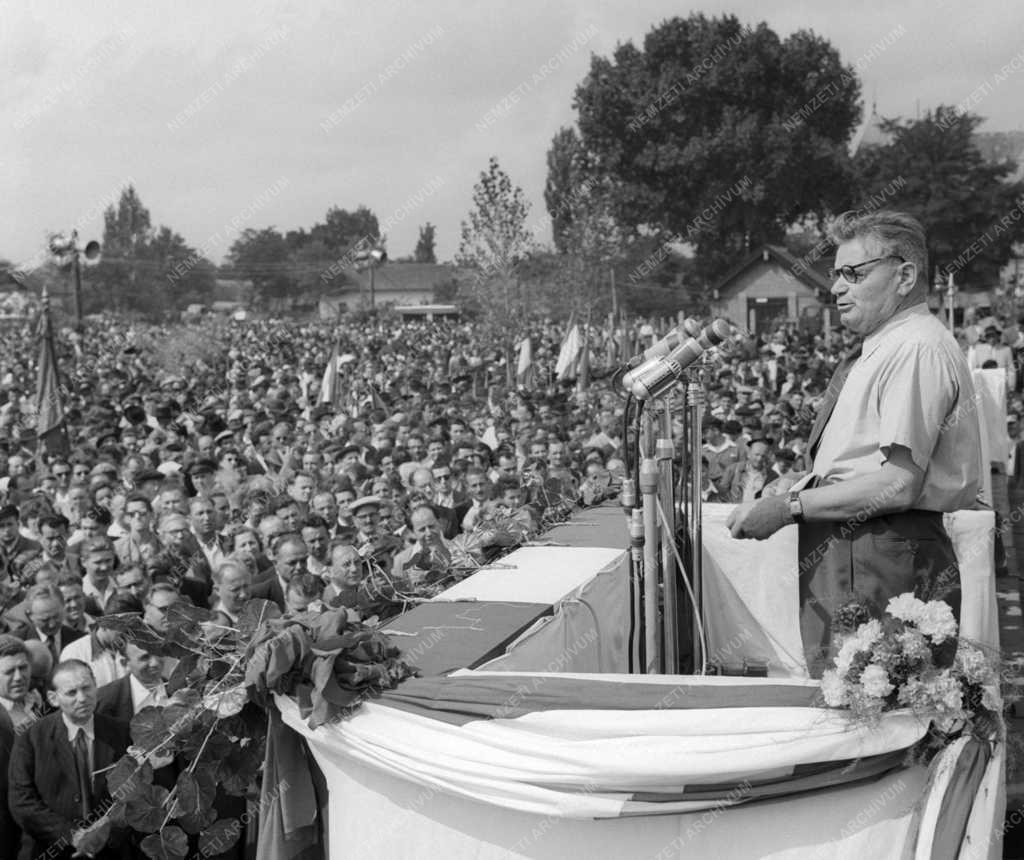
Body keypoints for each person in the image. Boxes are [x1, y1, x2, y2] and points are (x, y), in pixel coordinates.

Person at [726, 210, 982, 676]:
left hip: (878, 550)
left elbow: (899, 483)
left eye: (854, 274)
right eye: (835, 274)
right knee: (849, 694)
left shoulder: (915, 348)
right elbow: (859, 459)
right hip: (858, 548)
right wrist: (803, 482)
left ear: (904, 275)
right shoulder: (887, 343)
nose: (837, 288)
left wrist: (790, 506)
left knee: (872, 709)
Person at [9, 660, 131, 859]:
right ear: (53, 698)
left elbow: (135, 791)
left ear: (96, 686)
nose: (82, 698)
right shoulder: (32, 738)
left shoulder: (122, 733)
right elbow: (21, 801)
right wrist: (72, 835)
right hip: (51, 850)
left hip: (111, 851)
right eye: (72, 693)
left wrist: (105, 834)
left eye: (87, 688)